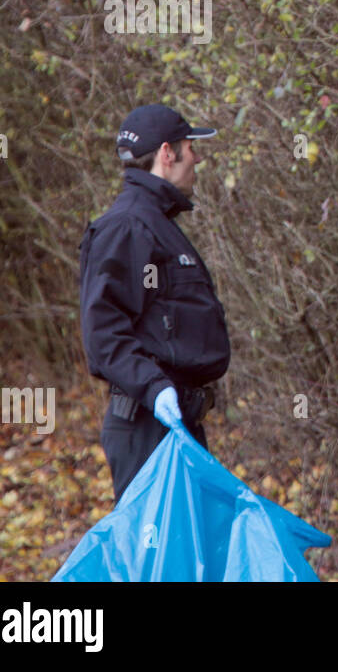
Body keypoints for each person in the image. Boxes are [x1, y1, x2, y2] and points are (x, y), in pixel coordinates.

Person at [79, 103, 229, 502]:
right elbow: (102, 332)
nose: (197, 157)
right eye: (190, 147)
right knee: (156, 560)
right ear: (167, 153)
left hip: (176, 424)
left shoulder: (157, 225)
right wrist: (154, 387)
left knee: (189, 557)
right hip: (148, 428)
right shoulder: (127, 227)